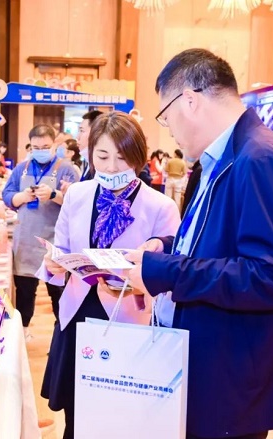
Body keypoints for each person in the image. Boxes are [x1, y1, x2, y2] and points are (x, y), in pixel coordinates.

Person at [125, 49, 273, 439]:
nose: (169, 129)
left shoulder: (261, 159)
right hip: (211, 365)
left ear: (189, 101)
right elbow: (222, 240)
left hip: (231, 382)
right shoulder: (225, 158)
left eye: (165, 116)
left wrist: (169, 271)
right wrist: (168, 248)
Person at [37, 112, 181, 439]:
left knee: (119, 415)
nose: (113, 167)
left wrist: (140, 278)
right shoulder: (77, 194)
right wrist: (54, 263)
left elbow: (171, 274)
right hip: (77, 313)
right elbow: (61, 247)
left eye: (122, 157)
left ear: (139, 157)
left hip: (127, 319)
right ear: (91, 154)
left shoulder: (160, 206)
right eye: (102, 156)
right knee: (76, 413)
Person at [1, 124, 79, 338]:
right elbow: (7, 194)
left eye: (45, 147)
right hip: (26, 239)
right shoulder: (22, 169)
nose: (41, 151)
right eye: (36, 147)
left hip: (55, 240)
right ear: (30, 146)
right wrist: (21, 197)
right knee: (25, 291)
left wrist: (54, 195)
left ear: (54, 145)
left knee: (58, 292)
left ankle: (63, 336)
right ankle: (23, 333)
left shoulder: (67, 170)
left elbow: (77, 202)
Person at [76, 110, 103, 181]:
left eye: (82, 131)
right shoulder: (88, 162)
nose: (77, 137)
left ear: (96, 133)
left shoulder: (100, 167)